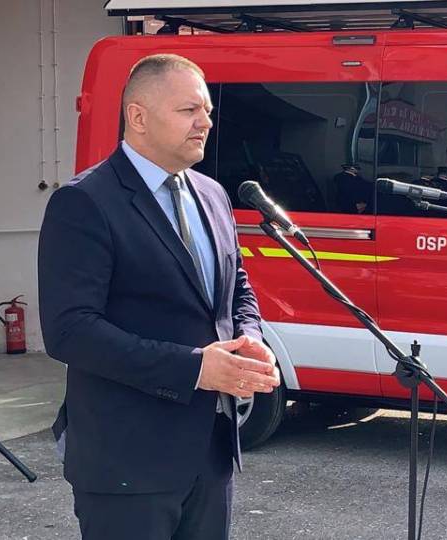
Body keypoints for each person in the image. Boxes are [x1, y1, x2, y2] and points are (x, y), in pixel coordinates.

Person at [37, 54, 281, 540]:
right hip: (127, 461)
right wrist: (194, 368)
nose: (205, 122)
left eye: (207, 110)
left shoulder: (212, 194)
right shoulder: (84, 201)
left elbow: (237, 287)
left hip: (210, 454)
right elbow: (70, 331)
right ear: (138, 116)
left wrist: (250, 338)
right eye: (189, 110)